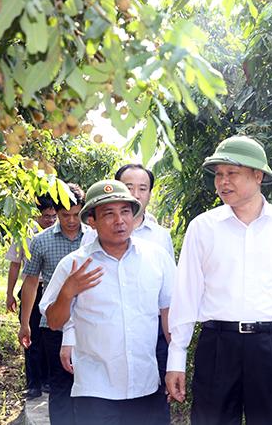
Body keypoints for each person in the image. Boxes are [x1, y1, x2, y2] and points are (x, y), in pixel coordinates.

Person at [165, 136, 272, 425]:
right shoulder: (202, 228)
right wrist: (176, 358)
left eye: (232, 173)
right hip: (217, 346)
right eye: (218, 174)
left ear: (258, 176)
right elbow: (186, 295)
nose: (222, 182)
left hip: (269, 347)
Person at [40, 179, 175, 425]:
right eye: (109, 214)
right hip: (96, 390)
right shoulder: (74, 264)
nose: (119, 221)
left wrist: (175, 365)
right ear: (91, 220)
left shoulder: (156, 258)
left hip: (145, 384)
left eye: (125, 211)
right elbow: (54, 322)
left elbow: (168, 315)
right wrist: (68, 292)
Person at [18, 183, 88, 425]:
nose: (72, 221)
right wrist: (25, 323)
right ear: (56, 213)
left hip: (88, 324)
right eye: (65, 215)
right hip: (53, 323)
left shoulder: (94, 238)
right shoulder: (40, 241)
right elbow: (30, 283)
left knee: (88, 384)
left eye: (76, 214)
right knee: (60, 384)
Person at [115, 164, 174, 424]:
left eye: (143, 188)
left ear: (150, 193)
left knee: (153, 407)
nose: (136, 195)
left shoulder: (160, 237)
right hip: (109, 334)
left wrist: (174, 349)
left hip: (153, 334)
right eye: (129, 187)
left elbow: (169, 296)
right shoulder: (92, 235)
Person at [5, 195, 56, 399]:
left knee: (50, 337)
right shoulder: (24, 233)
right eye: (46, 216)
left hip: (53, 290)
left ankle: (49, 380)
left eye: (53, 216)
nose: (50, 220)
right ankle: (33, 384)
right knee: (30, 335)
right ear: (36, 214)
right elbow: (15, 264)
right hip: (30, 289)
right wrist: (9, 293)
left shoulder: (61, 232)